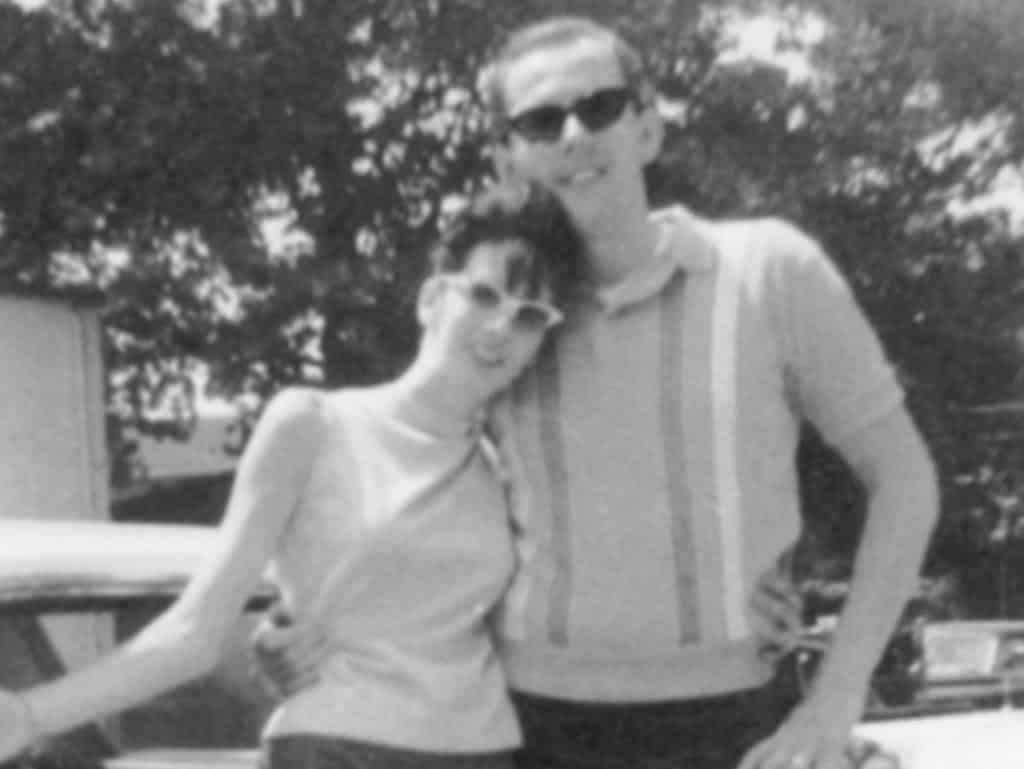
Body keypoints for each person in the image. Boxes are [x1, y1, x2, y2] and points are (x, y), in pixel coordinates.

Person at [253, 14, 940, 769]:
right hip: (529, 731)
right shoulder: (505, 321)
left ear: (646, 128)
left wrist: (836, 698)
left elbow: (905, 480)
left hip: (737, 721)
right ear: (507, 157)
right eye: (542, 121)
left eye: (600, 107)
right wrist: (304, 619)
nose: (575, 134)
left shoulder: (771, 271)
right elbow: (397, 482)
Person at [0, 182, 587, 769]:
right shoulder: (314, 424)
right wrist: (29, 715)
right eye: (483, 295)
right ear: (432, 299)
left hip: (484, 752)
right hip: (337, 749)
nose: (499, 328)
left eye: (529, 316)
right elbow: (197, 631)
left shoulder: (508, 466)